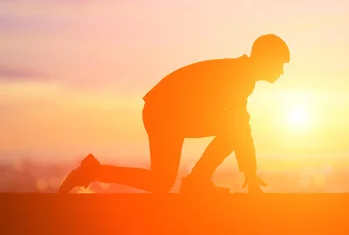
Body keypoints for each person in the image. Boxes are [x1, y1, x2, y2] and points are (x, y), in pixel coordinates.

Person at [58, 34, 290, 195]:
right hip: (165, 112)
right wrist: (249, 171)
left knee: (161, 182)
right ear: (265, 59)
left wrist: (248, 169)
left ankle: (94, 171)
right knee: (236, 126)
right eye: (279, 64)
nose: (281, 71)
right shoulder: (240, 77)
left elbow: (237, 124)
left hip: (171, 112)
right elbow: (239, 126)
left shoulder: (241, 74)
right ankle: (196, 183)